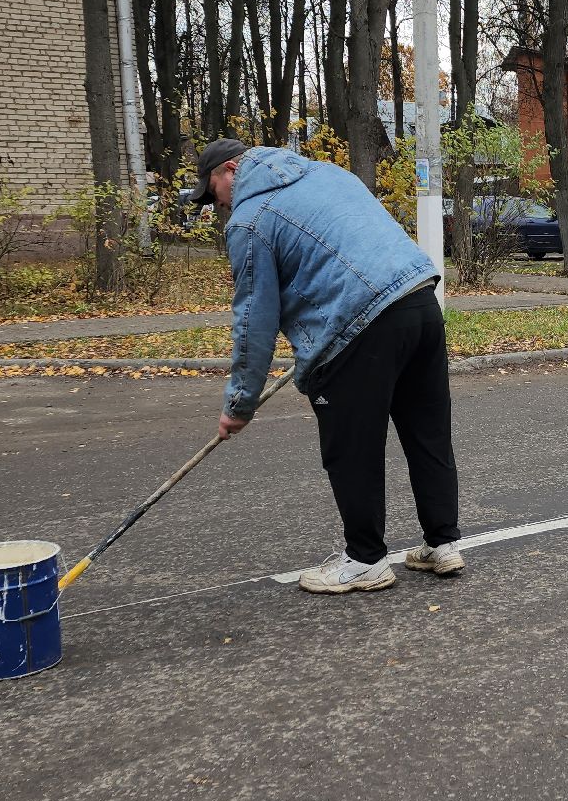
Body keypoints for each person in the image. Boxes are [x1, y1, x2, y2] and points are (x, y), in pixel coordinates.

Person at [192, 138, 465, 595]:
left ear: (233, 169)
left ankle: (364, 561)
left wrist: (239, 405)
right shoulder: (327, 174)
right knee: (428, 433)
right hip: (419, 303)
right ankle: (443, 544)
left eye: (213, 189)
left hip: (359, 327)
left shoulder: (250, 220)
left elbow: (253, 319)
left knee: (351, 448)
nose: (216, 202)